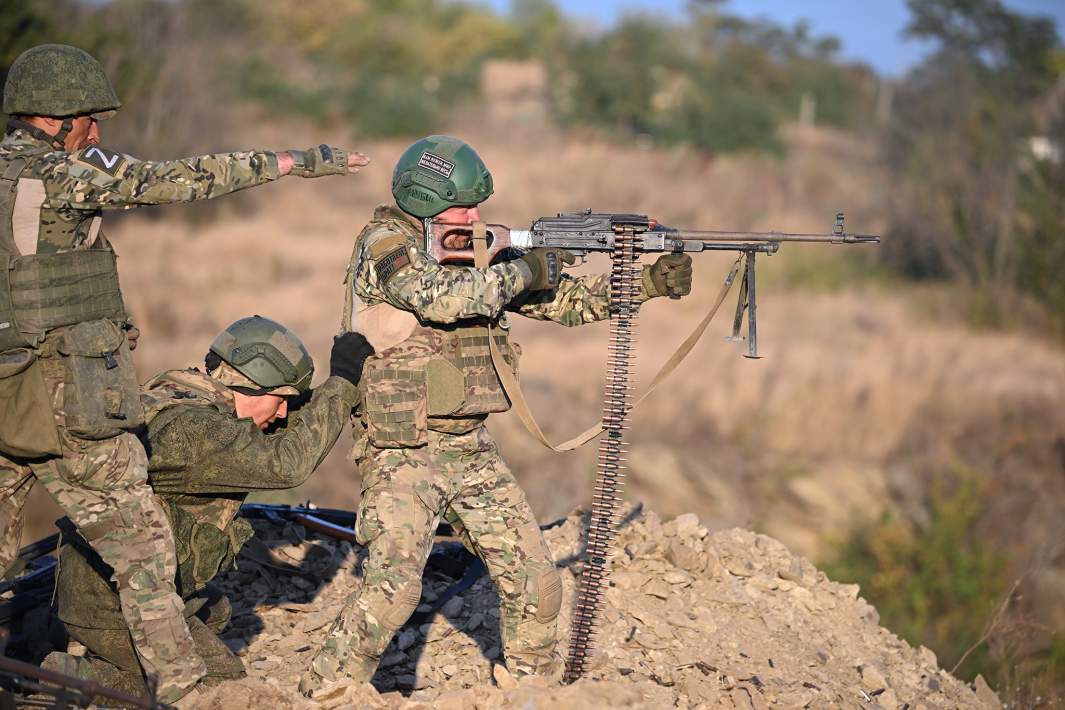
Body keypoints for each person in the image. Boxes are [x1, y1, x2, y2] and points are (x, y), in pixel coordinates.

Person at [0, 43, 368, 702]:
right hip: (62, 406)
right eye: (90, 121)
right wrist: (293, 163)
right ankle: (188, 692)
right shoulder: (66, 178)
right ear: (58, 118)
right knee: (141, 546)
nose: (98, 134)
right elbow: (182, 178)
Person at [299, 135, 693, 695]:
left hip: (469, 447)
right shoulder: (385, 243)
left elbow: (562, 304)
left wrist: (645, 284)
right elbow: (440, 297)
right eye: (462, 207)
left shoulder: (478, 248)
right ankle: (325, 694)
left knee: (537, 585)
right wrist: (525, 270)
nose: (474, 216)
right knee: (391, 595)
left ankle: (531, 694)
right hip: (402, 450)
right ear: (424, 201)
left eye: (476, 205)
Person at [43, 316, 374, 697]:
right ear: (248, 385)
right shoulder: (196, 433)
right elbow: (286, 463)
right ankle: (69, 679)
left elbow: (274, 429)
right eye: (280, 399)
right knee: (217, 686)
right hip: (118, 601)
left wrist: (326, 395)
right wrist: (343, 382)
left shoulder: (183, 391)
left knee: (217, 612)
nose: (283, 413)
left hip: (114, 582)